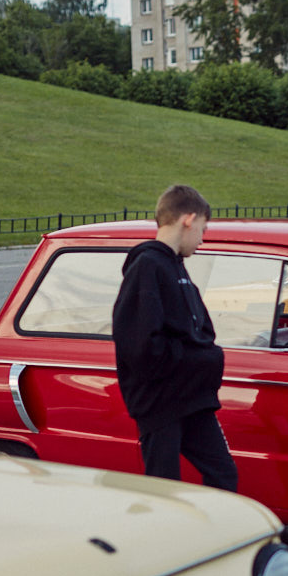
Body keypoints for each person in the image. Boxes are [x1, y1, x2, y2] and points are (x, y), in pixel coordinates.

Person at [112, 184, 238, 492]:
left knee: (223, 473)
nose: (202, 238)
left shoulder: (176, 267)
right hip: (160, 403)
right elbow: (140, 347)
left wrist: (207, 357)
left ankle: (215, 539)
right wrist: (201, 359)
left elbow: (201, 330)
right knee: (164, 486)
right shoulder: (148, 267)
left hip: (191, 399)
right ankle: (168, 539)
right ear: (188, 219)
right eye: (203, 229)